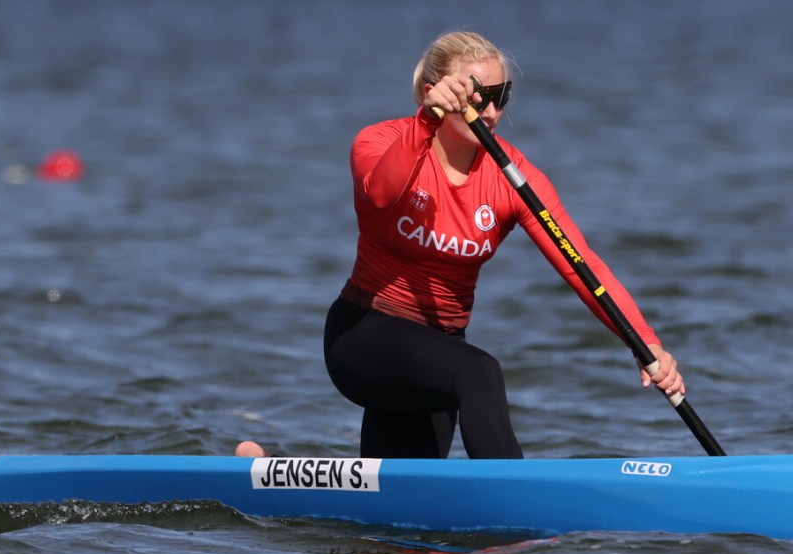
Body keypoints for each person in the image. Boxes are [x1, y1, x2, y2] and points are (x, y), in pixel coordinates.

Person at [236, 31, 684, 460]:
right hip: (362, 336)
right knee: (480, 371)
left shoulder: (512, 178)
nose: (489, 112)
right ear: (435, 92)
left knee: (400, 517)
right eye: (477, 96)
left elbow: (581, 264)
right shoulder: (379, 142)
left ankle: (265, 470)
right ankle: (518, 515)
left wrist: (645, 344)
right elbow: (380, 194)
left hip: (439, 351)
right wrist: (426, 121)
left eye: (500, 96)